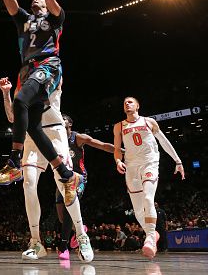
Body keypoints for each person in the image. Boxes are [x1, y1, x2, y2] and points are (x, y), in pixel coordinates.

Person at [0, 0, 81, 206]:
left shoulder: (55, 19)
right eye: (33, 0)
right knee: (31, 125)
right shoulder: (23, 19)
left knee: (20, 101)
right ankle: (66, 174)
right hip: (29, 68)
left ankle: (13, 161)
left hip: (48, 65)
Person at [0, 77, 93, 262]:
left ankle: (81, 235)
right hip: (32, 135)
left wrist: (26, 96)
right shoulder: (22, 82)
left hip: (55, 132)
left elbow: (42, 100)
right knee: (28, 184)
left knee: (65, 185)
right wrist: (7, 93)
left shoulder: (53, 71)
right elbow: (13, 117)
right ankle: (36, 242)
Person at [113, 97, 185, 258]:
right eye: (125, 102)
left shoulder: (149, 122)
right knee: (138, 210)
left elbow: (163, 141)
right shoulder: (118, 126)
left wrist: (177, 160)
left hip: (149, 163)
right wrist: (118, 160)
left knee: (148, 198)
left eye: (130, 102)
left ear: (138, 106)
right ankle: (152, 234)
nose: (127, 104)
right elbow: (117, 149)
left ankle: (151, 237)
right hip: (131, 167)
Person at [55, 114, 117, 259]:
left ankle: (64, 247)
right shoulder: (56, 140)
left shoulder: (78, 138)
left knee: (69, 205)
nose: (59, 120)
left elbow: (101, 145)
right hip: (61, 179)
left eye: (63, 118)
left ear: (70, 124)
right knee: (62, 217)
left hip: (79, 178)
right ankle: (79, 228)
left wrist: (121, 152)